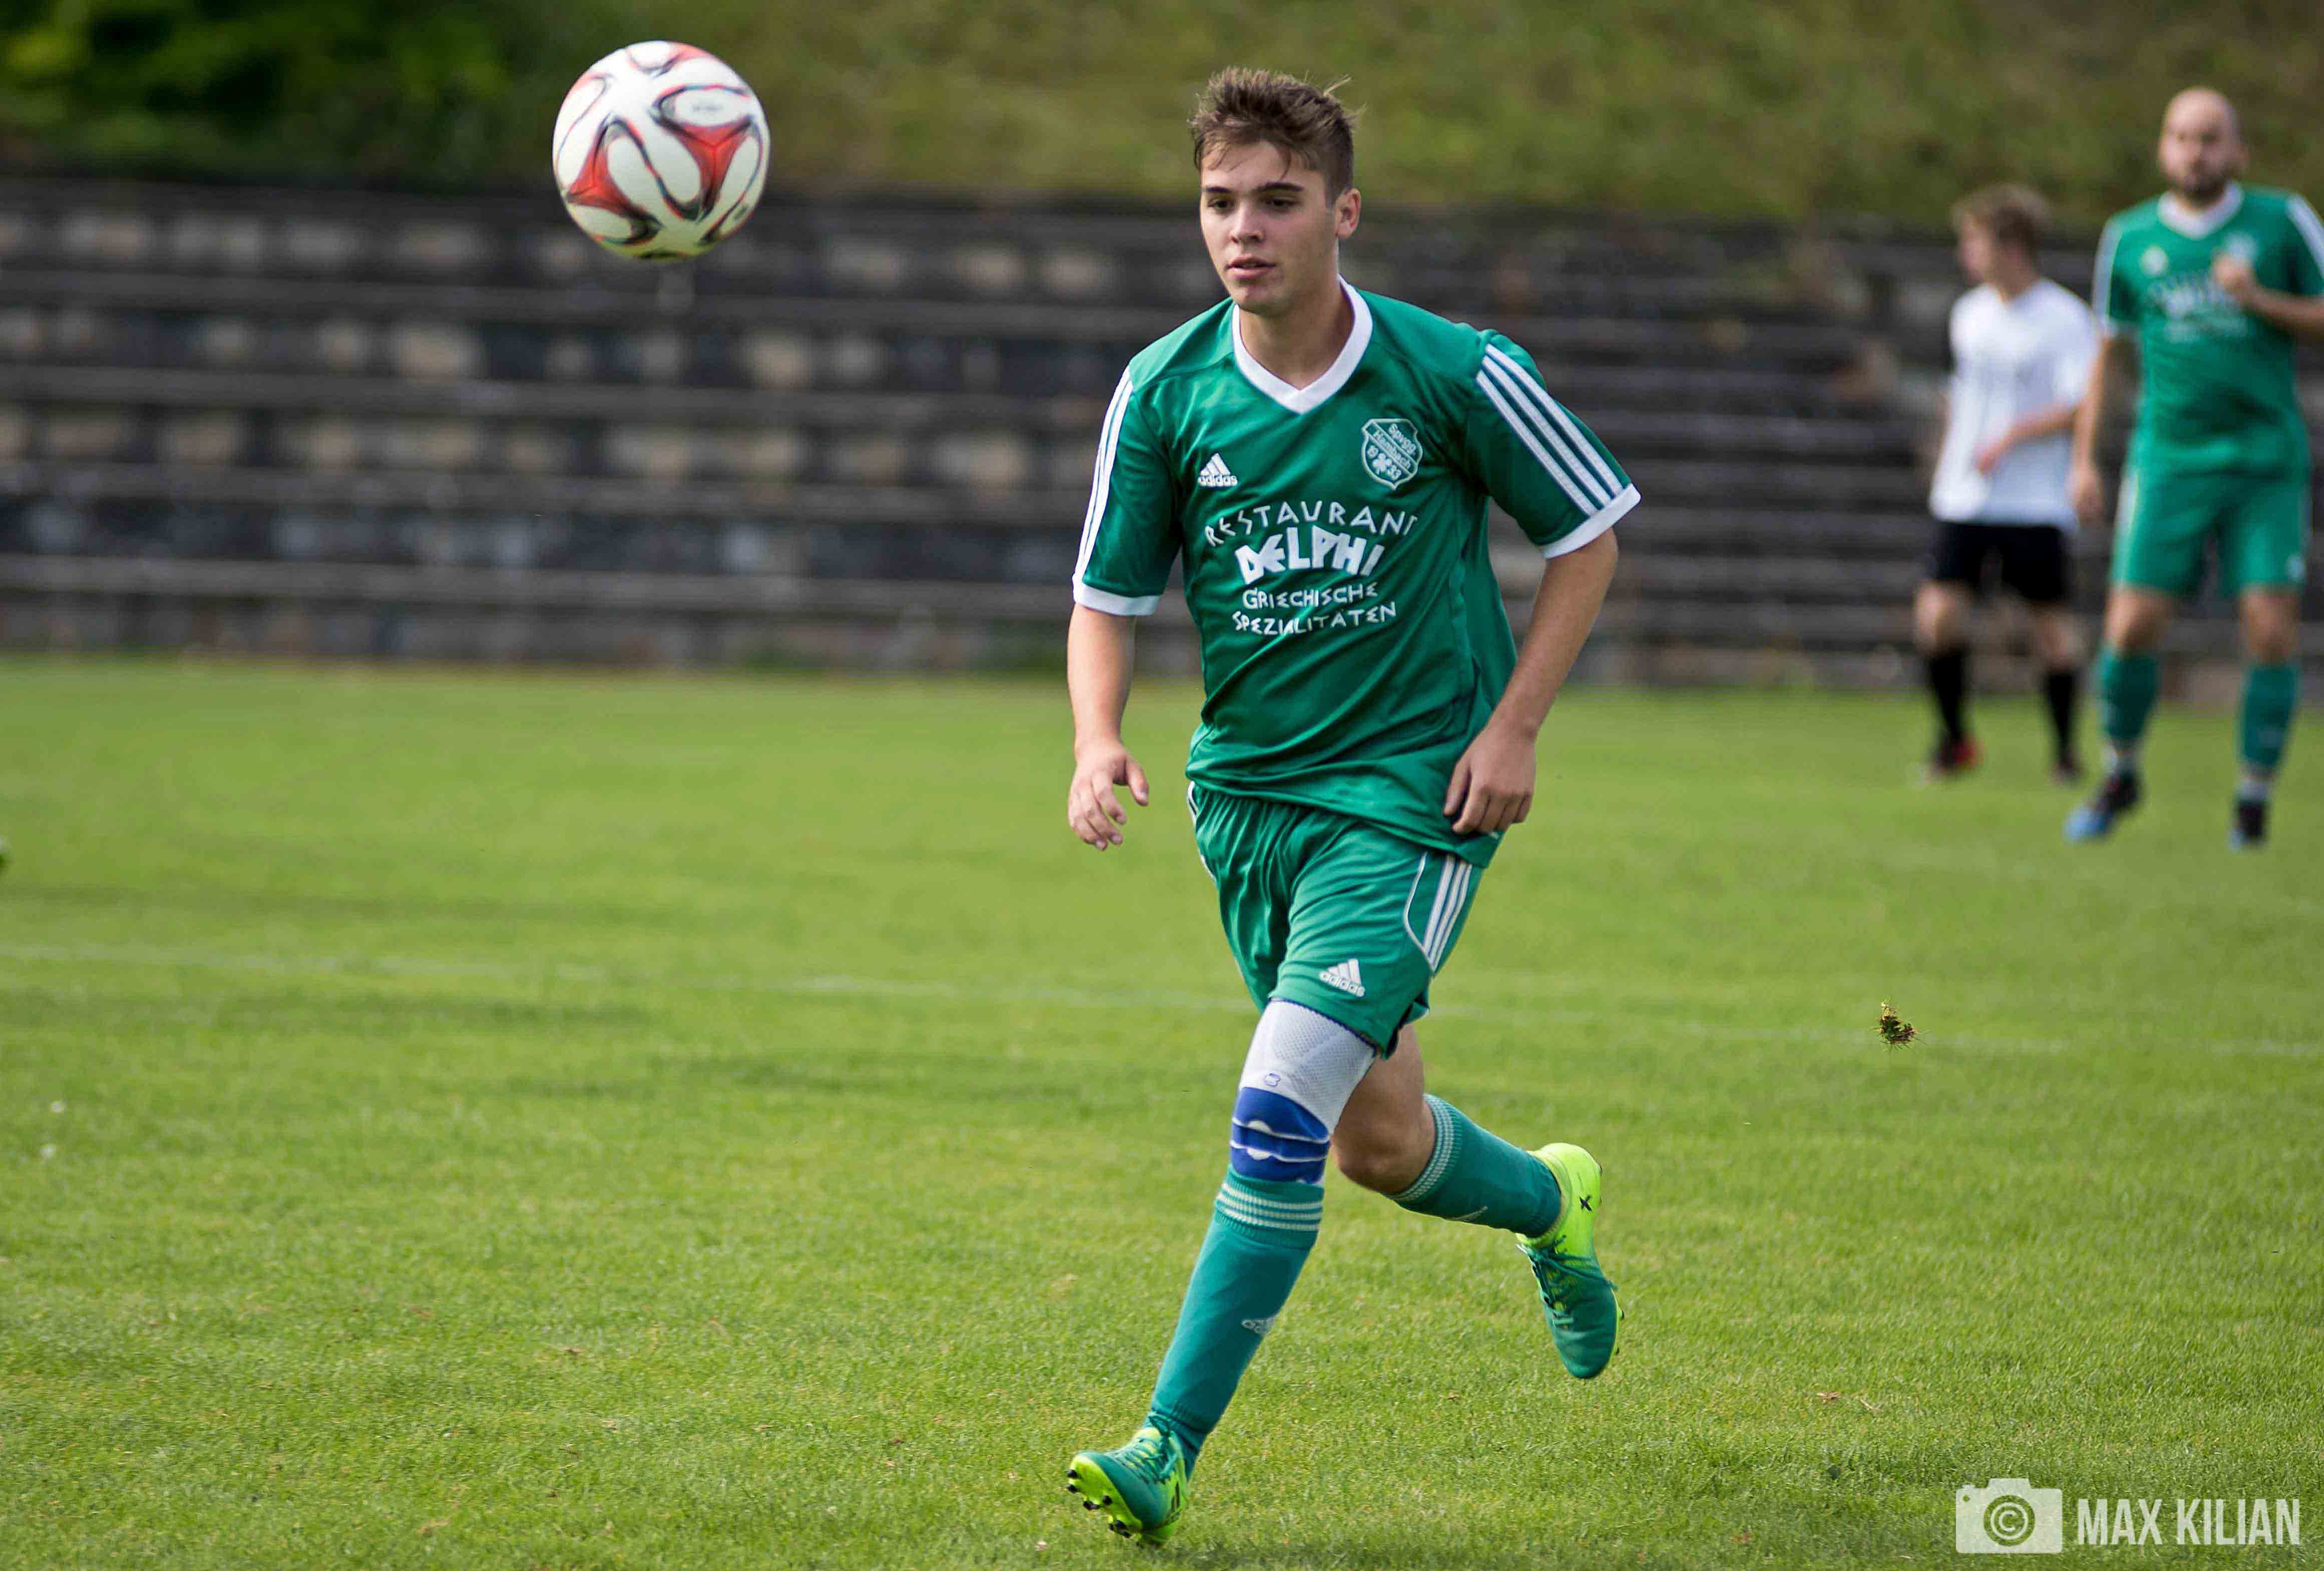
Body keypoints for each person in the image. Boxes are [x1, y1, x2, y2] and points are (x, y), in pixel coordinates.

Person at [1060, 68, 1632, 1546]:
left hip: (1408, 801)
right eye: (1217, 202)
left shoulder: (1450, 371)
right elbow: (1105, 596)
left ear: (1343, 213)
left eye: (1275, 200)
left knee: (1273, 1113)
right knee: (1375, 1143)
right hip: (1248, 805)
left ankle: (1163, 1446)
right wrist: (1095, 738)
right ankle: (1550, 1203)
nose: (1240, 230)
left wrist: (1513, 727)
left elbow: (1585, 535)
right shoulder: (1164, 388)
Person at [2067, 88, 2324, 848]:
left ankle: (2252, 796)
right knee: (2129, 625)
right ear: (2162, 147)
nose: (2194, 152)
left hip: (2262, 460)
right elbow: (2109, 354)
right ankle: (2120, 771)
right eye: (2181, 137)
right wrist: (2084, 458)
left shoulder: (2282, 220)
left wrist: (2260, 300)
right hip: (2169, 457)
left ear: (2237, 151)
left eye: (2210, 139)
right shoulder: (2130, 236)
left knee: (2269, 627)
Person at [1918, 185, 2096, 782]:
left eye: (1974, 241)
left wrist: (2013, 435)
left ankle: (2064, 753)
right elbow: (1959, 394)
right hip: (1964, 496)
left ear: (2012, 246)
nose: (1965, 253)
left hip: (2033, 501)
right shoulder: (1967, 313)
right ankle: (1954, 741)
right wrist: (1947, 453)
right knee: (1937, 616)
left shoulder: (2063, 318)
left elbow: (2079, 404)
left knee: (2050, 629)